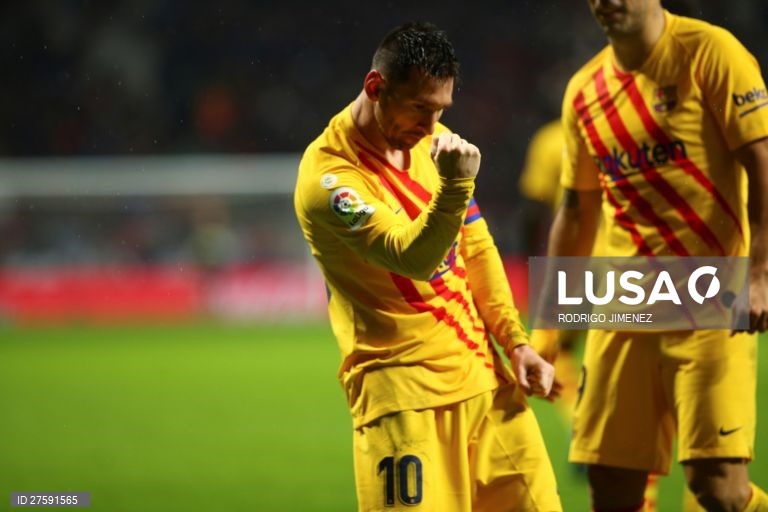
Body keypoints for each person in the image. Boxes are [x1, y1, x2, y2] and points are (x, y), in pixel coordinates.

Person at [294, 22, 562, 511]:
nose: (431, 122)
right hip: (401, 400)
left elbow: (477, 251)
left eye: (440, 110)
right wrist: (455, 188)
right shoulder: (330, 180)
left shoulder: (431, 142)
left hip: (485, 383)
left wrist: (516, 344)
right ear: (376, 87)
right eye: (420, 107)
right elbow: (412, 258)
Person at [533, 0, 768, 510]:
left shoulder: (711, 53)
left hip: (712, 296)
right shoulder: (583, 91)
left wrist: (761, 274)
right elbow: (574, 213)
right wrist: (548, 327)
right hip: (624, 302)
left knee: (719, 490)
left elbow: (762, 164)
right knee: (612, 491)